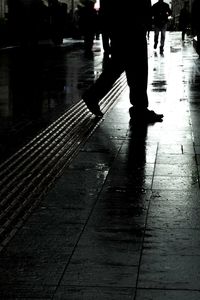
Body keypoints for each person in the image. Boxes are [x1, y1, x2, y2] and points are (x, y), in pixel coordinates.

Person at [83, 0, 163, 123]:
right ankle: (139, 108)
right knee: (137, 69)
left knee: (119, 65)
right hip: (131, 26)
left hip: (121, 27)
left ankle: (94, 95)